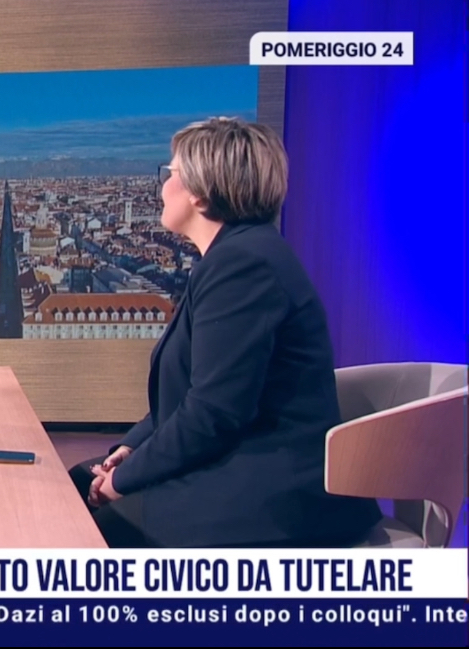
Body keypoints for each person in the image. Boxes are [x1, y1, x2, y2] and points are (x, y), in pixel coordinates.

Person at [70, 117, 382, 549]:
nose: (162, 187)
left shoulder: (242, 265)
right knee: (77, 482)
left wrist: (124, 480)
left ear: (199, 192)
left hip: (275, 495)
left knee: (92, 526)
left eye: (170, 174)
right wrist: (130, 448)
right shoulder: (236, 254)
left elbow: (213, 413)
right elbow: (194, 398)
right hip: (245, 463)